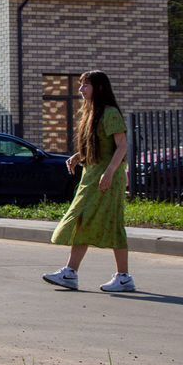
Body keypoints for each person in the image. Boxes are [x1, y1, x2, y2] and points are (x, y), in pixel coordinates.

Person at [43, 70, 135, 293]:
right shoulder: (90, 112)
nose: (81, 89)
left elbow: (122, 146)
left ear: (99, 88)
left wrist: (110, 172)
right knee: (83, 221)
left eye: (86, 85)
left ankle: (123, 278)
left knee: (112, 223)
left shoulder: (110, 113)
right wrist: (78, 156)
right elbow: (97, 146)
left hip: (106, 178)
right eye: (81, 85)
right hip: (91, 175)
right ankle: (71, 273)